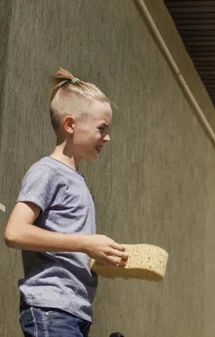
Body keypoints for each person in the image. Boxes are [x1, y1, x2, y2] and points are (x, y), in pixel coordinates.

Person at [4, 68, 128, 337]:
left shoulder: (77, 181)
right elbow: (14, 232)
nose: (107, 137)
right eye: (101, 128)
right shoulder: (47, 172)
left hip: (75, 311)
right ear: (70, 125)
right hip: (51, 307)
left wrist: (100, 255)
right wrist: (86, 243)